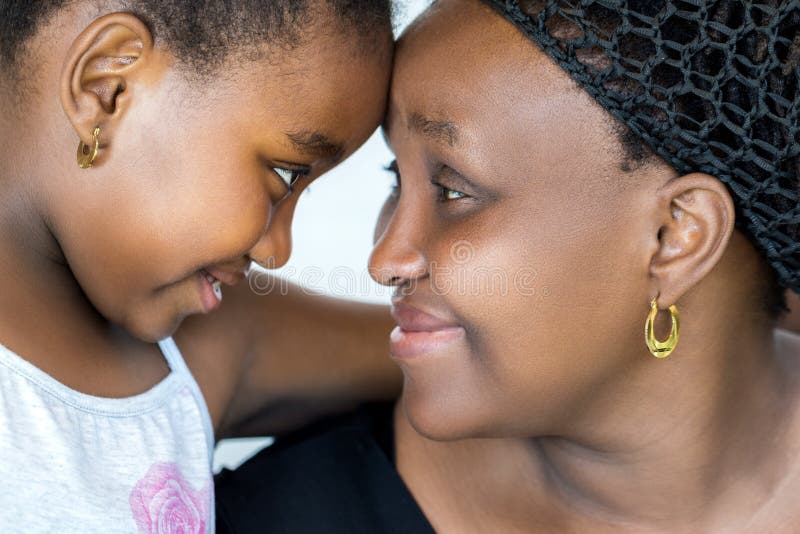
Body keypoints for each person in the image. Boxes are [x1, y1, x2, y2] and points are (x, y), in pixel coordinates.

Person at [215, 0, 800, 532]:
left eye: (452, 190)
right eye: (396, 179)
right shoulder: (290, 515)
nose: (384, 260)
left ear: (675, 237)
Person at [0, 0, 402, 530]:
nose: (276, 251)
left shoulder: (190, 350)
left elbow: (448, 357)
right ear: (106, 87)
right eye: (285, 172)